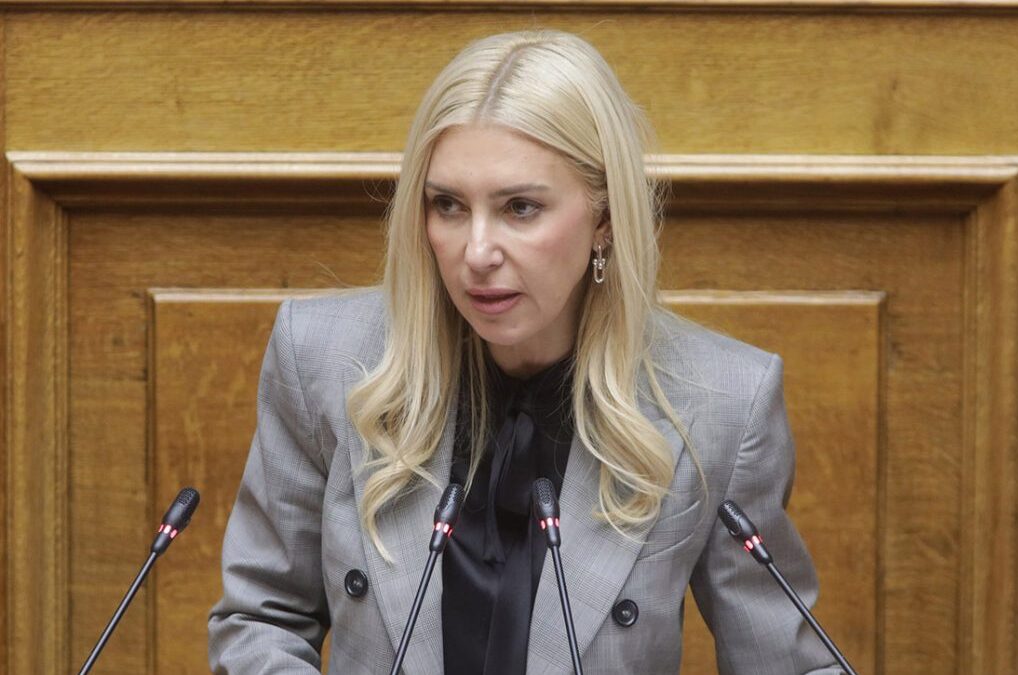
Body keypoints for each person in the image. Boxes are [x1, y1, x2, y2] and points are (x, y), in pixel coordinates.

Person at [209, 30, 842, 674]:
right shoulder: (323, 359)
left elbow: (786, 663)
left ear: (604, 219)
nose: (477, 252)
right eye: (448, 205)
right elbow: (261, 619)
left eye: (519, 208)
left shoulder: (723, 403)